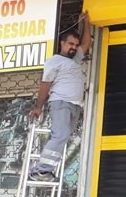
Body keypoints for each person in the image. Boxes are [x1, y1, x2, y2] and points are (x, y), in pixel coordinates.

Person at [28, 12, 92, 182]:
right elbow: (45, 85)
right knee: (61, 135)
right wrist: (38, 107)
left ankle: (44, 170)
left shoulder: (75, 59)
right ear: (62, 43)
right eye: (70, 44)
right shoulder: (54, 62)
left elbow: (87, 43)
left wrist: (87, 22)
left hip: (75, 106)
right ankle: (41, 171)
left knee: (63, 136)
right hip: (60, 103)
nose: (74, 47)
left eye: (75, 45)